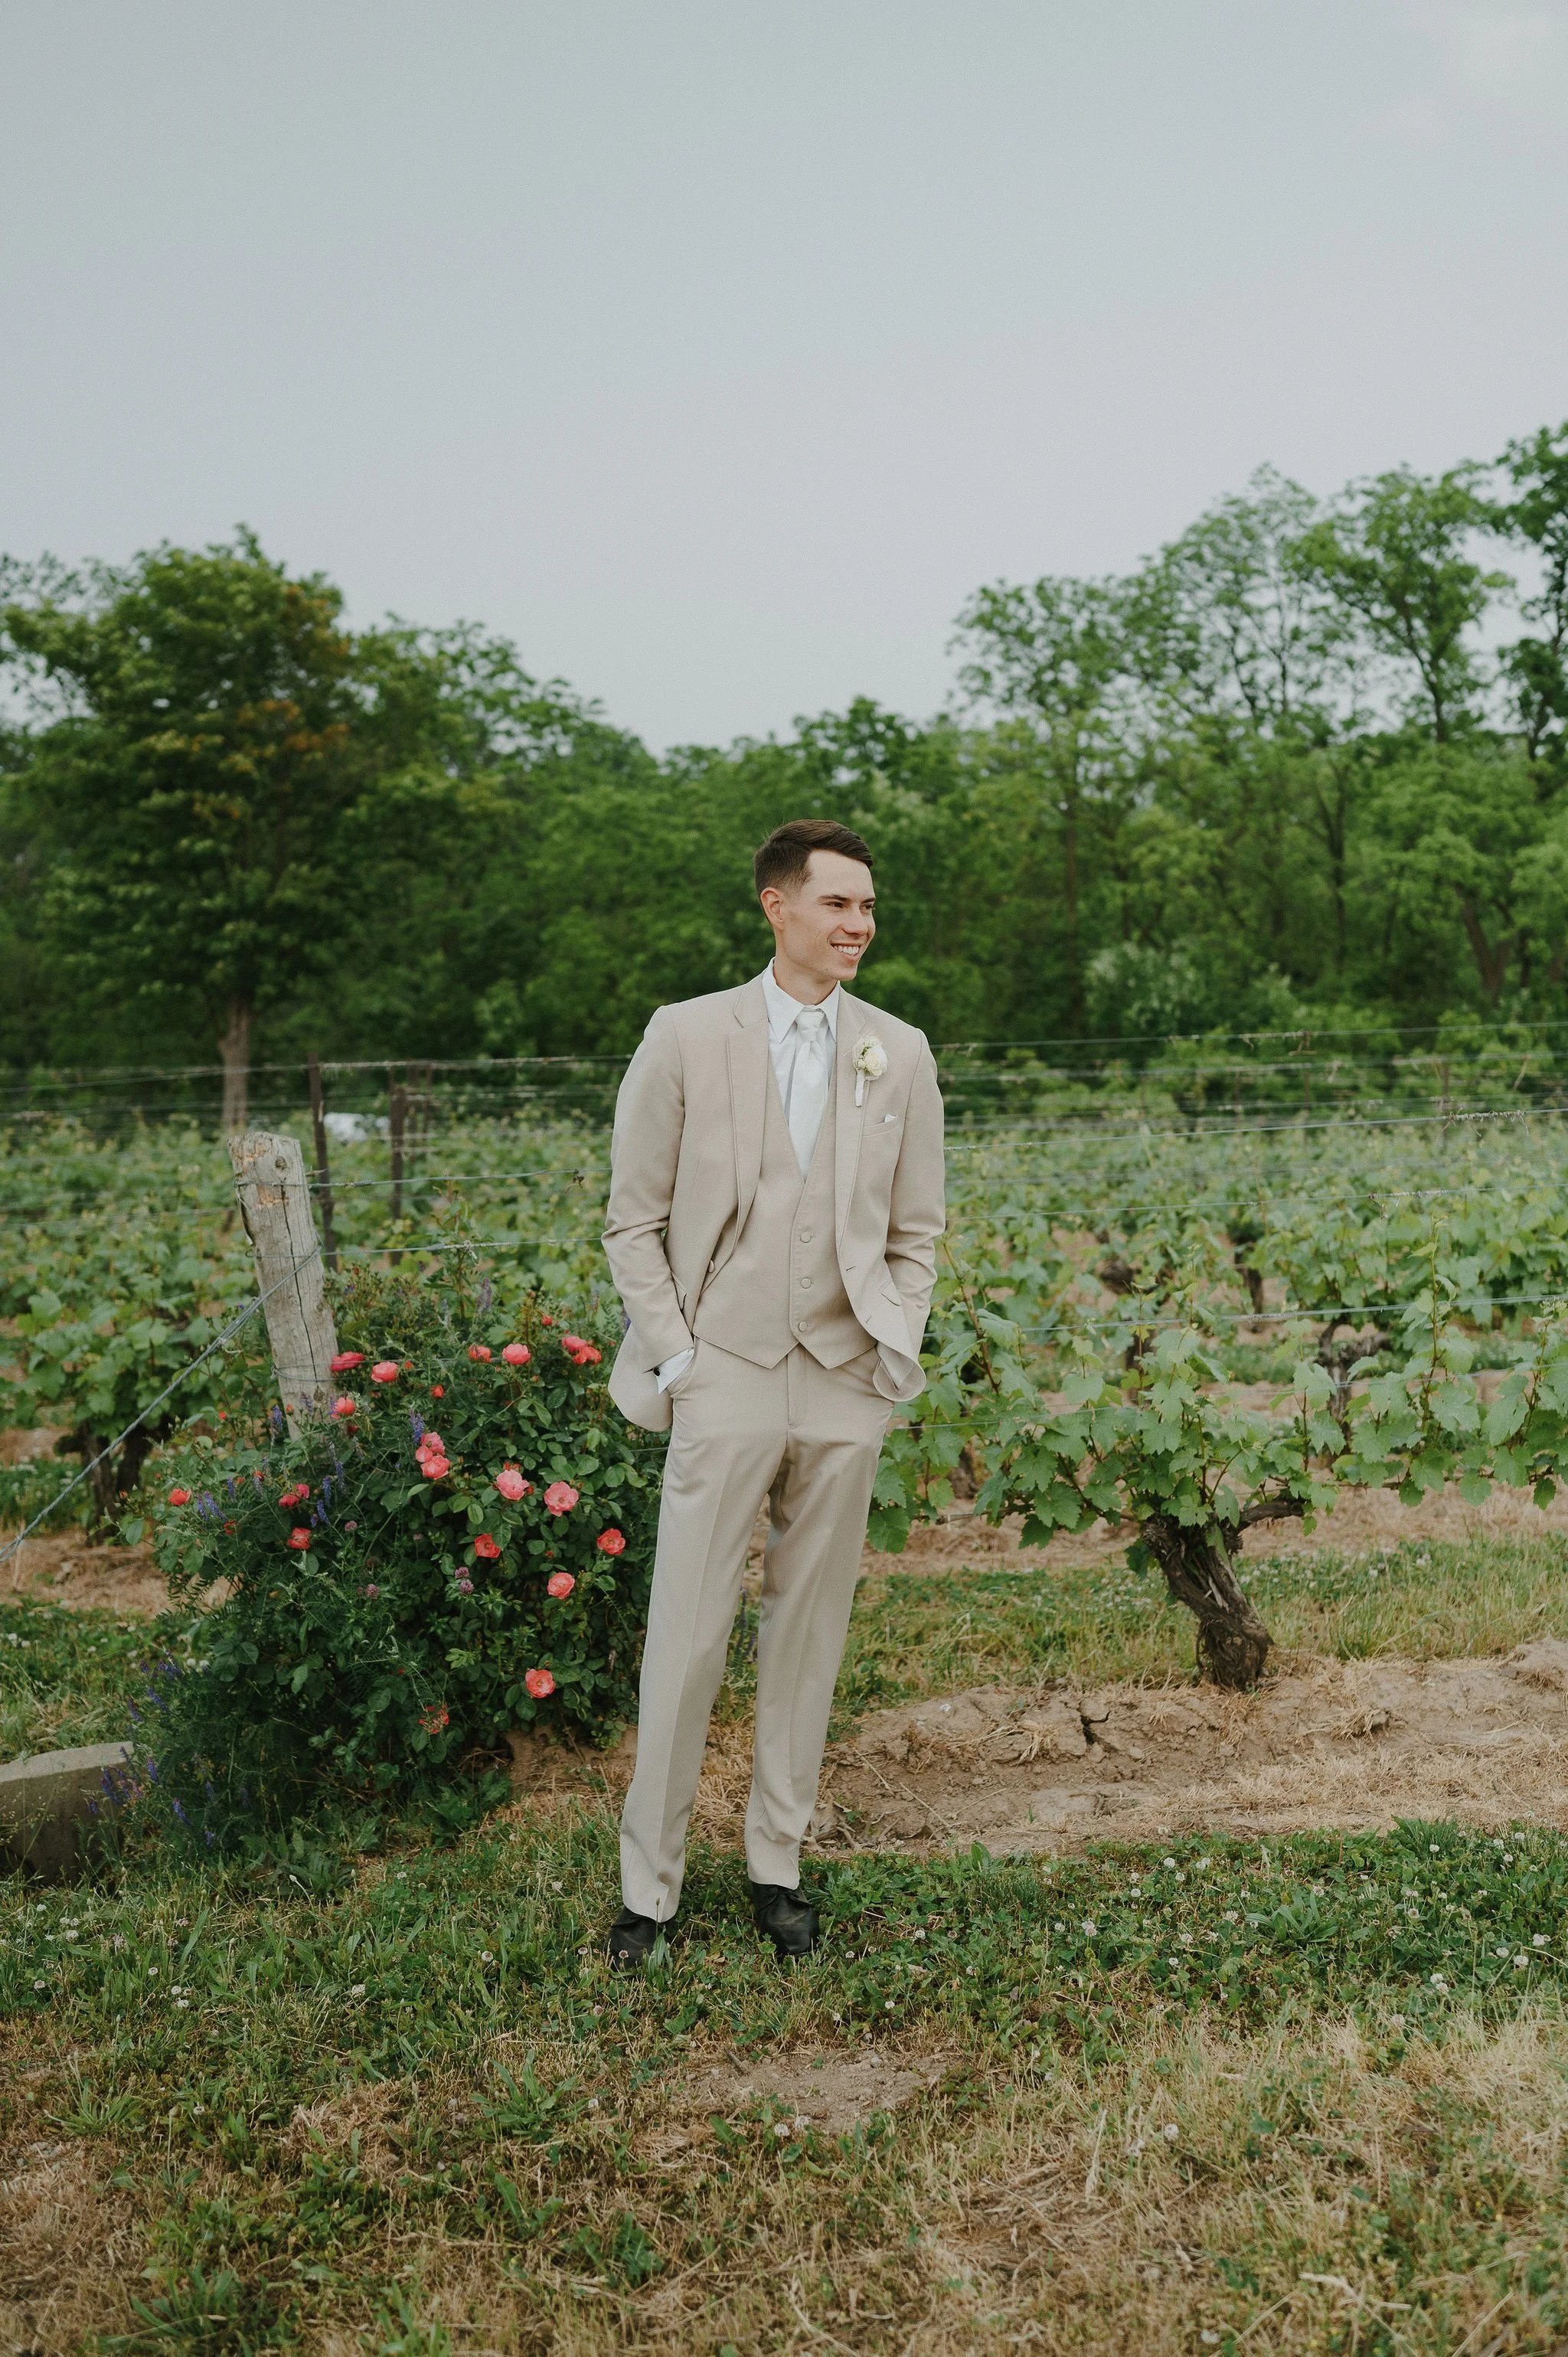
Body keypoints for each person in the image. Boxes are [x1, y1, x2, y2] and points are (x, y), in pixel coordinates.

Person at [600, 816, 946, 1966]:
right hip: (725, 1371)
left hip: (847, 1379)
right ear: (777, 906)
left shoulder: (901, 1048)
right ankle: (648, 1889)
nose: (861, 925)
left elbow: (916, 1230)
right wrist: (684, 1359)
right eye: (840, 904)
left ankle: (776, 1865)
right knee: (687, 1634)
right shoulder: (687, 1035)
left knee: (809, 1633)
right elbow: (633, 1220)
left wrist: (889, 1348)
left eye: (870, 907)